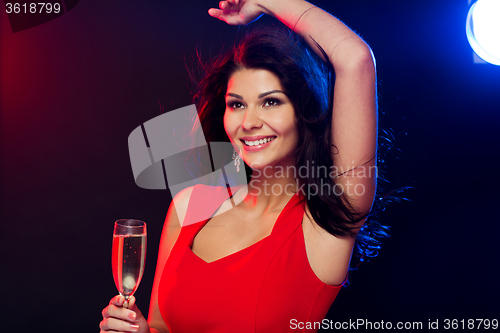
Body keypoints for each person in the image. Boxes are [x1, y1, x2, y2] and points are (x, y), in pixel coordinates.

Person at [100, 0, 382, 332]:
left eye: (271, 101)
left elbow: (355, 58)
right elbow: (162, 327)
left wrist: (267, 2)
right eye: (236, 104)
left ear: (305, 111)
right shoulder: (190, 204)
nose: (248, 122)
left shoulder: (324, 223)